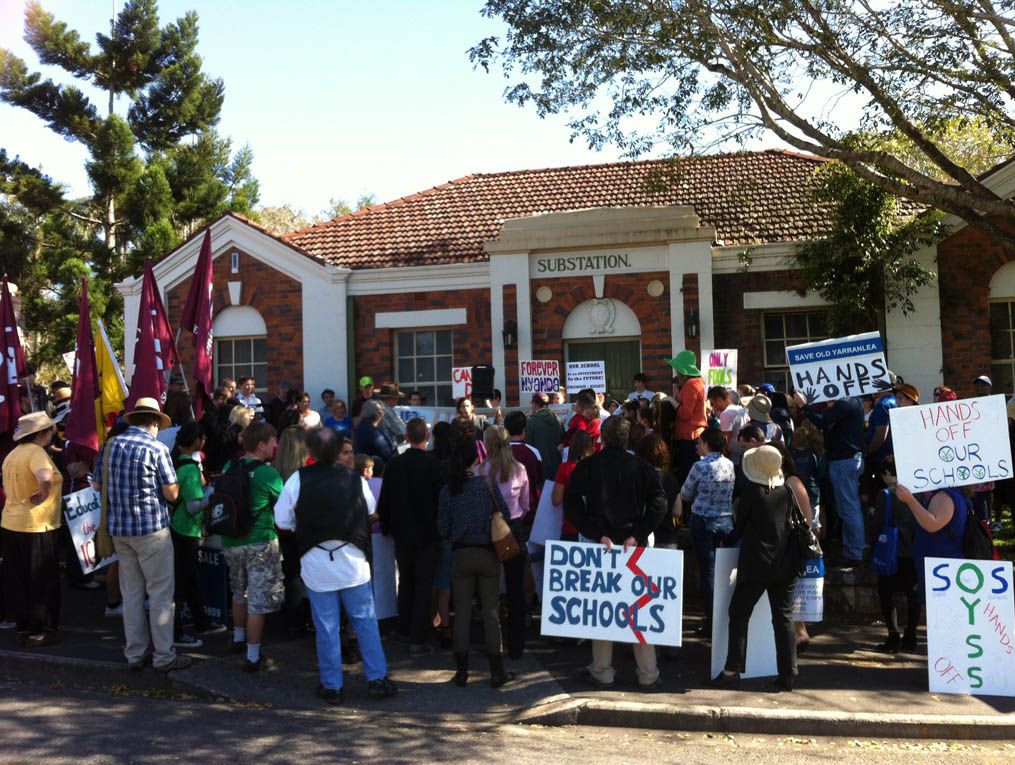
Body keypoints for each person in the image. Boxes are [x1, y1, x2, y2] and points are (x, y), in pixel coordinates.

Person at [274, 426, 398, 705]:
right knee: (365, 622)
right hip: (352, 559)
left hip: (316, 560)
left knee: (326, 626)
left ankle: (332, 686)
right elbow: (369, 512)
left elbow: (282, 521)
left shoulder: (297, 479)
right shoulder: (355, 479)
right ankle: (376, 678)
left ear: (313, 451)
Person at [563, 416, 667, 689]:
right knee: (640, 608)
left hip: (601, 545)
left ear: (603, 438)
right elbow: (659, 504)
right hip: (636, 546)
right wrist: (639, 534)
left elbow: (571, 504)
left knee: (602, 608)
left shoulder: (588, 466)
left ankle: (602, 670)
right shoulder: (642, 467)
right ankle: (648, 672)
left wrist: (596, 534)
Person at [94, 398, 188, 672]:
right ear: (155, 423)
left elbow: (98, 485)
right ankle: (163, 656)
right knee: (159, 593)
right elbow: (171, 493)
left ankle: (135, 653)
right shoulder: (157, 448)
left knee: (132, 593)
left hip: (119, 529)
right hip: (151, 529)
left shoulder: (111, 445)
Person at [712, 445, 800, 692]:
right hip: (786, 561)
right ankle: (788, 671)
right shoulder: (786, 490)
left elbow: (739, 529)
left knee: (739, 613)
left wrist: (724, 542)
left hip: (757, 561)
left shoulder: (752, 492)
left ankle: (732, 668)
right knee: (782, 617)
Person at [438, 439, 515, 688]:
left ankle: (461, 671)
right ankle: (497, 671)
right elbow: (504, 513)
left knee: (461, 612)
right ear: (475, 460)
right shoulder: (486, 486)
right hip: (487, 554)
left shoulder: (448, 490)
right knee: (491, 612)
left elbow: (442, 528)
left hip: (460, 554)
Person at [220, 422, 285, 672]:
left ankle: (237, 638)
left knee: (239, 592)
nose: (275, 446)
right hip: (259, 542)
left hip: (231, 541)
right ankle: (253, 655)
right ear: (261, 445)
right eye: (272, 442)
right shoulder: (269, 474)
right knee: (258, 600)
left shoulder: (229, 466)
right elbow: (285, 505)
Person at [377, 417, 444, 655]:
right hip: (428, 533)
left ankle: (404, 629)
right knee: (423, 584)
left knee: (406, 580)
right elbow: (441, 501)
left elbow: (385, 498)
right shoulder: (434, 465)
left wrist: (386, 524)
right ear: (426, 437)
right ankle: (418, 635)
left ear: (407, 437)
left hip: (402, 533)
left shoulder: (395, 464)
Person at [1, 412, 63, 647]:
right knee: (41, 578)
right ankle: (40, 631)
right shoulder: (37, 453)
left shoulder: (12, 454)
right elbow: (44, 476)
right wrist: (44, 491)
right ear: (41, 434)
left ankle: (24, 627)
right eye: (49, 430)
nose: (52, 433)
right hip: (37, 524)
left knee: (18, 577)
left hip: (11, 522)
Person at [793, 388, 866, 567]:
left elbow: (823, 422)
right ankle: (854, 548)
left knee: (848, 508)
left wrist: (803, 406)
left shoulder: (846, 402)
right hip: (847, 460)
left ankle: (854, 552)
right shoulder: (853, 401)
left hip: (844, 461)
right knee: (849, 506)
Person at [478, 425, 531, 659]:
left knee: (489, 588)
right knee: (515, 588)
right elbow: (526, 504)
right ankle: (516, 644)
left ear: (487, 445)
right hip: (514, 528)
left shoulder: (481, 470)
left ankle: (493, 641)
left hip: (488, 529)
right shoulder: (519, 469)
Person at [676, 427, 735, 632]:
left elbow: (685, 493)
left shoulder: (700, 466)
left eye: (700, 442)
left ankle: (712, 620)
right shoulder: (729, 464)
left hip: (702, 519)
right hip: (725, 520)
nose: (697, 445)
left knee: (708, 571)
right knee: (724, 570)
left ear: (707, 444)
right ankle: (723, 617)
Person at [169, 422, 221, 648]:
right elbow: (192, 506)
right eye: (203, 437)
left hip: (178, 528)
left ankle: (200, 621)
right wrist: (211, 497)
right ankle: (176, 631)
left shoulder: (178, 462)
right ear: (197, 441)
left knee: (187, 580)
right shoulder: (189, 469)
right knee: (182, 582)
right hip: (185, 529)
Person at [868, 456, 919, 653]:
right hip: (912, 552)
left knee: (887, 594)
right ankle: (911, 635)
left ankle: (893, 635)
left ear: (888, 473)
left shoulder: (886, 494)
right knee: (912, 595)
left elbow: (877, 525)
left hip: (891, 552)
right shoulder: (918, 492)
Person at [275, 425, 314, 637]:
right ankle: (301, 619)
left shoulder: (275, 469)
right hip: (305, 530)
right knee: (302, 575)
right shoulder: (308, 469)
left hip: (284, 530)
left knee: (291, 574)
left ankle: (292, 620)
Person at [666, 351, 707, 487]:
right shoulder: (695, 383)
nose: (676, 373)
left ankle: (685, 507)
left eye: (677, 370)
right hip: (692, 436)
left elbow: (685, 414)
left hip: (689, 438)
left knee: (687, 477)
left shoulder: (691, 384)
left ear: (682, 371)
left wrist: (672, 400)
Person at [504, 410, 543, 514]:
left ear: (506, 430)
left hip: (503, 510)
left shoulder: (498, 453)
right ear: (524, 430)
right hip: (529, 509)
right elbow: (539, 479)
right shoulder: (533, 452)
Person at [525, 392, 565, 480]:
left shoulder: (531, 421)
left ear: (535, 404)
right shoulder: (558, 419)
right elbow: (563, 441)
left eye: (532, 404)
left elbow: (528, 446)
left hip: (540, 469)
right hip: (556, 468)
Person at [708, 386, 748, 466]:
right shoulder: (741, 409)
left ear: (719, 400)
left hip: (733, 457)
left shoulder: (726, 413)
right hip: (743, 453)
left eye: (712, 403)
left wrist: (724, 459)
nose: (713, 407)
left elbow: (725, 439)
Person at [353, 400, 395, 471]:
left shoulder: (360, 427)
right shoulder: (374, 433)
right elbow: (387, 454)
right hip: (375, 471)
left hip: (363, 468)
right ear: (380, 414)